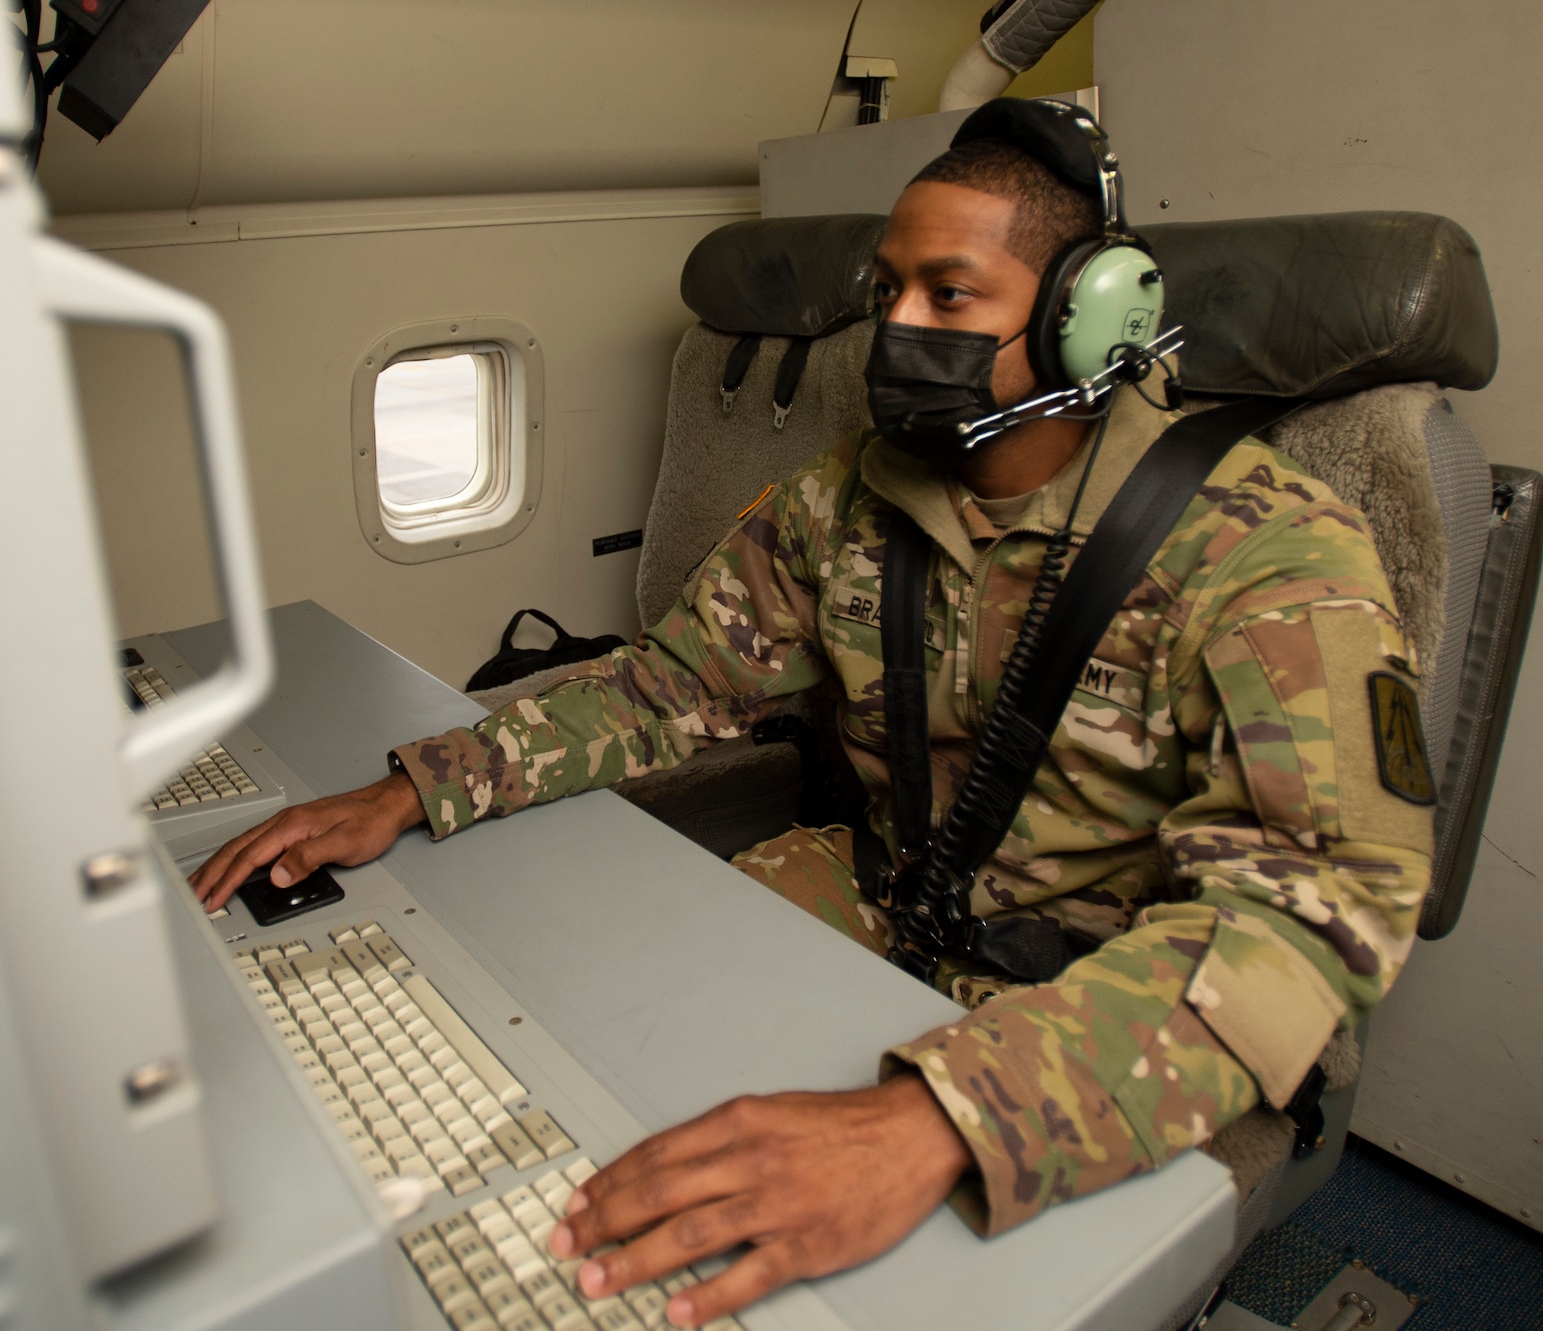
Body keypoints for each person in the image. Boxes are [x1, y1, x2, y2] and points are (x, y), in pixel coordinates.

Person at [191, 99, 1433, 1330]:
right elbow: (663, 683)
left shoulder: (1268, 551)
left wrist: (942, 1115)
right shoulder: (843, 502)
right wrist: (419, 784)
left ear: (1084, 322)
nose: (893, 329)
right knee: (598, 1059)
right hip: (884, 892)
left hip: (1107, 977)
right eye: (885, 289)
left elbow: (1313, 908)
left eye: (948, 296)